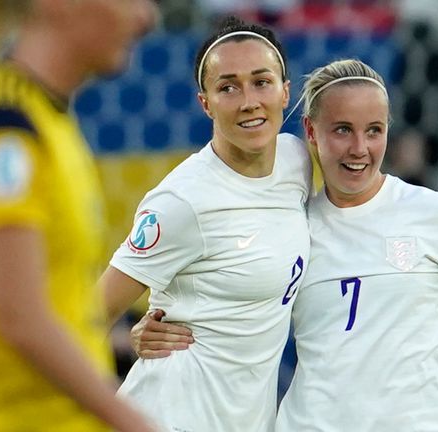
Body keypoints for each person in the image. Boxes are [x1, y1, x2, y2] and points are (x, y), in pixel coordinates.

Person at [131, 59, 438, 431]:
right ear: (311, 131)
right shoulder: (292, 228)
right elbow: (238, 315)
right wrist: (149, 330)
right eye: (342, 130)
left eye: (374, 131)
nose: (359, 149)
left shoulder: (436, 214)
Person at [0, 1, 160, 431]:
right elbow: (20, 318)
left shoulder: (48, 122)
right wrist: (134, 423)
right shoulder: (4, 127)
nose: (146, 18)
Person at [101, 16, 312, 431]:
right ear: (206, 102)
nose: (248, 100)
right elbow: (91, 314)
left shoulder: (297, 161)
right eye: (228, 86)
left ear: (286, 92)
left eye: (261, 82)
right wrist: (132, 339)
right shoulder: (182, 201)